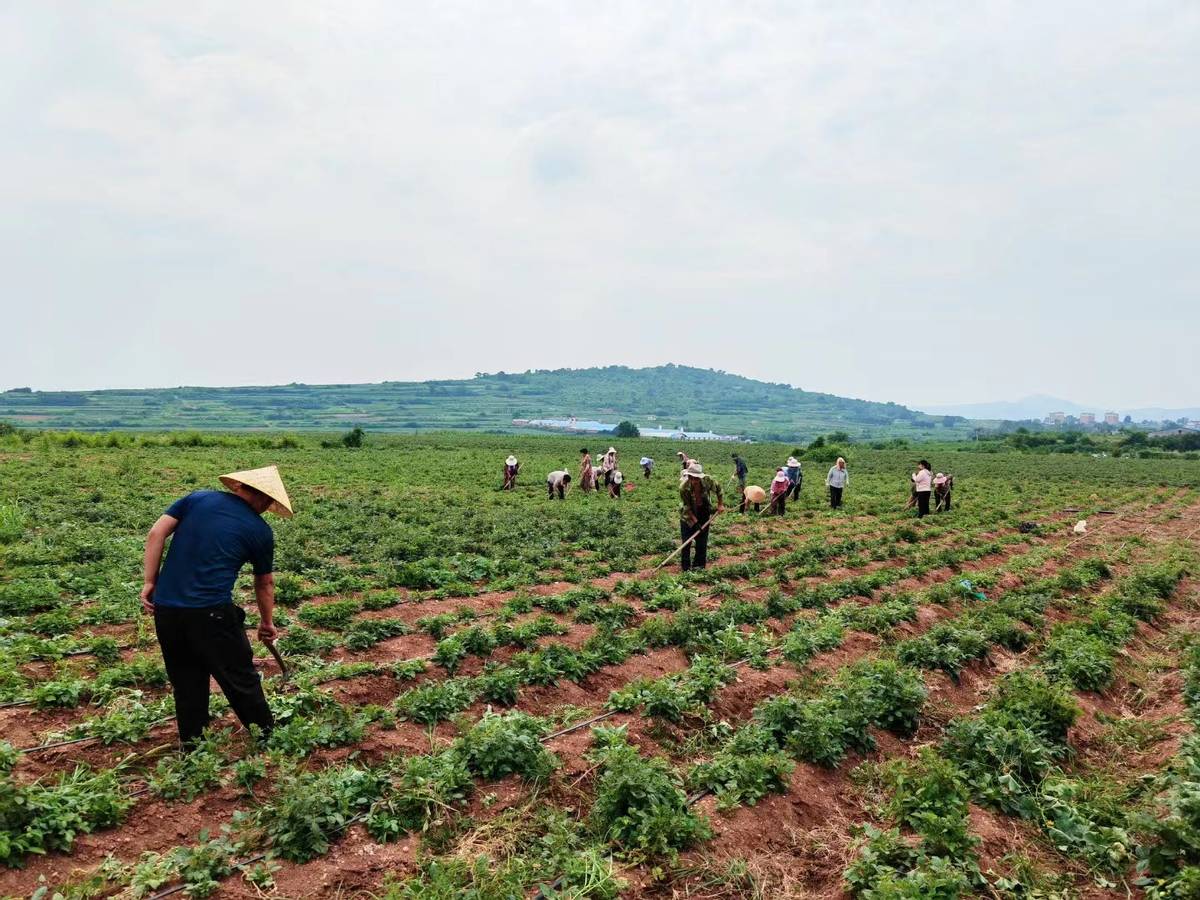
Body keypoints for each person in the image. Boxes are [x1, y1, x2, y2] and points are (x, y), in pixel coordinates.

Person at [141, 466, 291, 749]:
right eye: (269, 503)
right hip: (211, 615)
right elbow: (265, 583)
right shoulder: (260, 531)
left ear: (240, 487)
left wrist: (150, 581)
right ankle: (270, 740)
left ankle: (193, 749)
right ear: (264, 499)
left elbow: (155, 533)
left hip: (167, 612)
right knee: (240, 679)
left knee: (187, 683)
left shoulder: (197, 499)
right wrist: (267, 623)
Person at [679, 462, 724, 571]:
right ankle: (686, 568)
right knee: (686, 542)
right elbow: (686, 507)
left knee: (702, 542)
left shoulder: (708, 480)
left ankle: (699, 566)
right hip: (688, 516)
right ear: (689, 477)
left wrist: (720, 504)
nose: (695, 481)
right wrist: (695, 522)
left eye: (697, 478)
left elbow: (719, 489)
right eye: (693, 478)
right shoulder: (683, 487)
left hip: (704, 511)